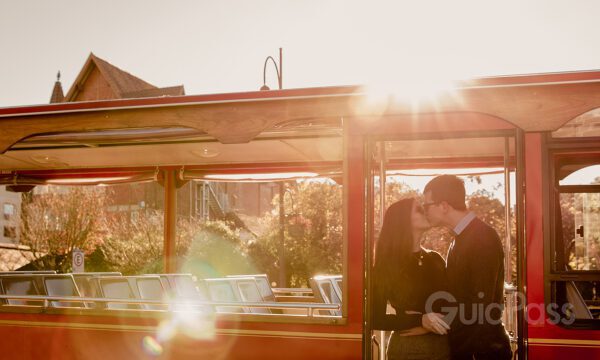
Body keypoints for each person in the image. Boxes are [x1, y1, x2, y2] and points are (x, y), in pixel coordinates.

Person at [423, 175, 512, 360]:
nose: (425, 212)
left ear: (444, 206)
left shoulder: (482, 237)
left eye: (427, 206)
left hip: (481, 351)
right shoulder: (462, 237)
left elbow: (479, 303)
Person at [372, 198, 451, 360]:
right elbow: (375, 318)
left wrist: (427, 327)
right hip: (407, 349)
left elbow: (453, 304)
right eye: (419, 209)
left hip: (443, 346)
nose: (426, 211)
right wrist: (419, 320)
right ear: (403, 220)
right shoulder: (386, 264)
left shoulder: (435, 259)